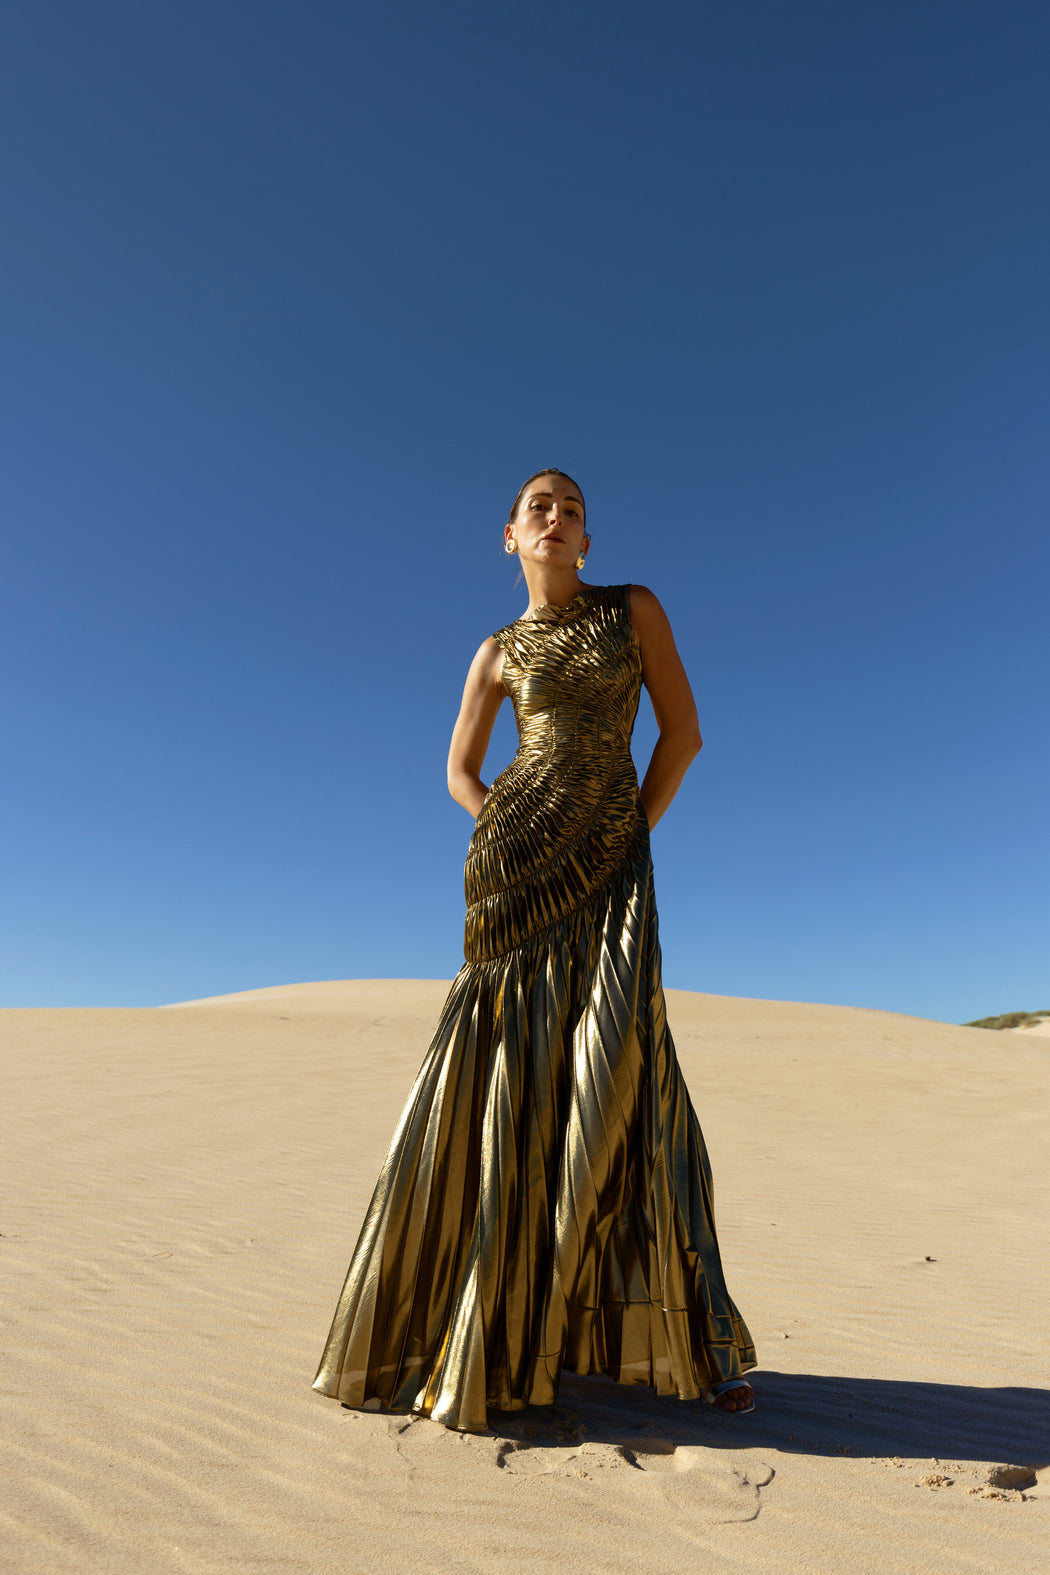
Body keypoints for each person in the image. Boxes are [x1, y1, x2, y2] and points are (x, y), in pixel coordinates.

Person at [311, 468, 756, 1431]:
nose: (558, 518)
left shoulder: (631, 609)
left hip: (611, 863)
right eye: (540, 508)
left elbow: (681, 735)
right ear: (509, 535)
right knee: (504, 1081)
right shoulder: (497, 649)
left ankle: (693, 1337)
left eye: (575, 510)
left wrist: (626, 830)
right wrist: (497, 826)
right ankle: (492, 1329)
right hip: (512, 873)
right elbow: (459, 768)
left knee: (628, 1076)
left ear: (587, 539)